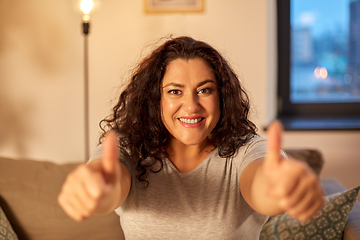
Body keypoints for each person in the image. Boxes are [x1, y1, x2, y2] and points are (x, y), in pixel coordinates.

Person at [58, 36, 324, 239]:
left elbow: (263, 185)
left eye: (204, 90)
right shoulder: (127, 148)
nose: (191, 105)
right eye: (175, 91)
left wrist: (280, 188)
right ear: (155, 99)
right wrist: (96, 186)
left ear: (222, 97)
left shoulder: (247, 150)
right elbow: (110, 186)